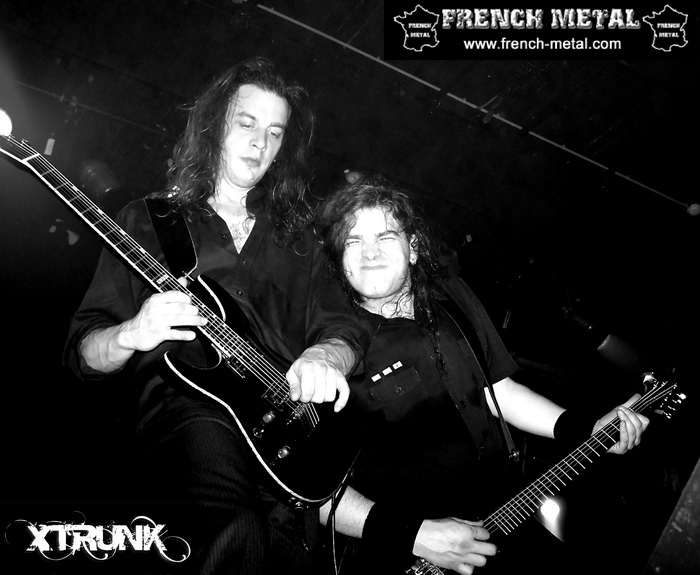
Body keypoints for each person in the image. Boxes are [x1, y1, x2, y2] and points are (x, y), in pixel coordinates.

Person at [64, 57, 370, 575]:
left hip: (288, 436)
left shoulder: (300, 241)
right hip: (191, 411)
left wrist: (326, 357)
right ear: (214, 127)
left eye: (275, 133)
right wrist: (132, 332)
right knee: (233, 532)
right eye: (246, 123)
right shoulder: (149, 219)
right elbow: (83, 354)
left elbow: (346, 328)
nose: (260, 143)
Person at [314, 174, 649, 575]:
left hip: (501, 519)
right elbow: (313, 495)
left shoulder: (452, 296)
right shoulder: (329, 352)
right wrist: (414, 536)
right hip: (410, 559)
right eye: (354, 241)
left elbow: (498, 392)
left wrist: (588, 430)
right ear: (340, 259)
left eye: (385, 237)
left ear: (413, 247)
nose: (370, 253)